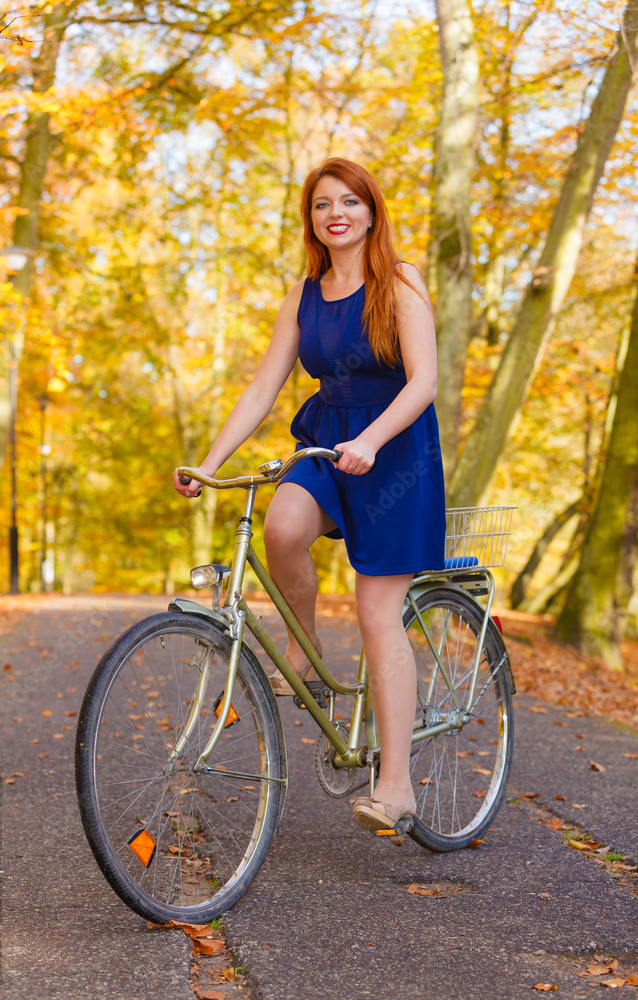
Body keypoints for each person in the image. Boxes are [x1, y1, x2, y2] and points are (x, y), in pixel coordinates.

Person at [173, 157, 446, 835]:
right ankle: (307, 655)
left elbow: (424, 382)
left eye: (349, 201)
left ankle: (395, 788)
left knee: (377, 613)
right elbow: (263, 387)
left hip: (394, 450)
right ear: (311, 219)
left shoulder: (400, 281)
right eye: (323, 204)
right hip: (325, 441)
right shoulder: (303, 295)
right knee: (282, 526)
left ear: (371, 212)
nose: (336, 214)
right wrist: (208, 463)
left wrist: (373, 441)